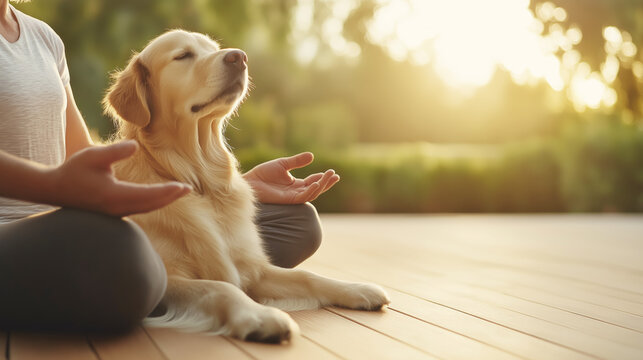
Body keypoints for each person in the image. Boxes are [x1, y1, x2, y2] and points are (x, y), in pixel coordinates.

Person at [0, 0, 339, 332]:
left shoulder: (42, 37)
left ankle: (172, 281)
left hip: (62, 226)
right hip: (17, 230)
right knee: (124, 248)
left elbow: (80, 156)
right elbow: (67, 182)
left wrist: (219, 193)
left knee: (297, 222)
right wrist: (54, 186)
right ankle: (183, 287)